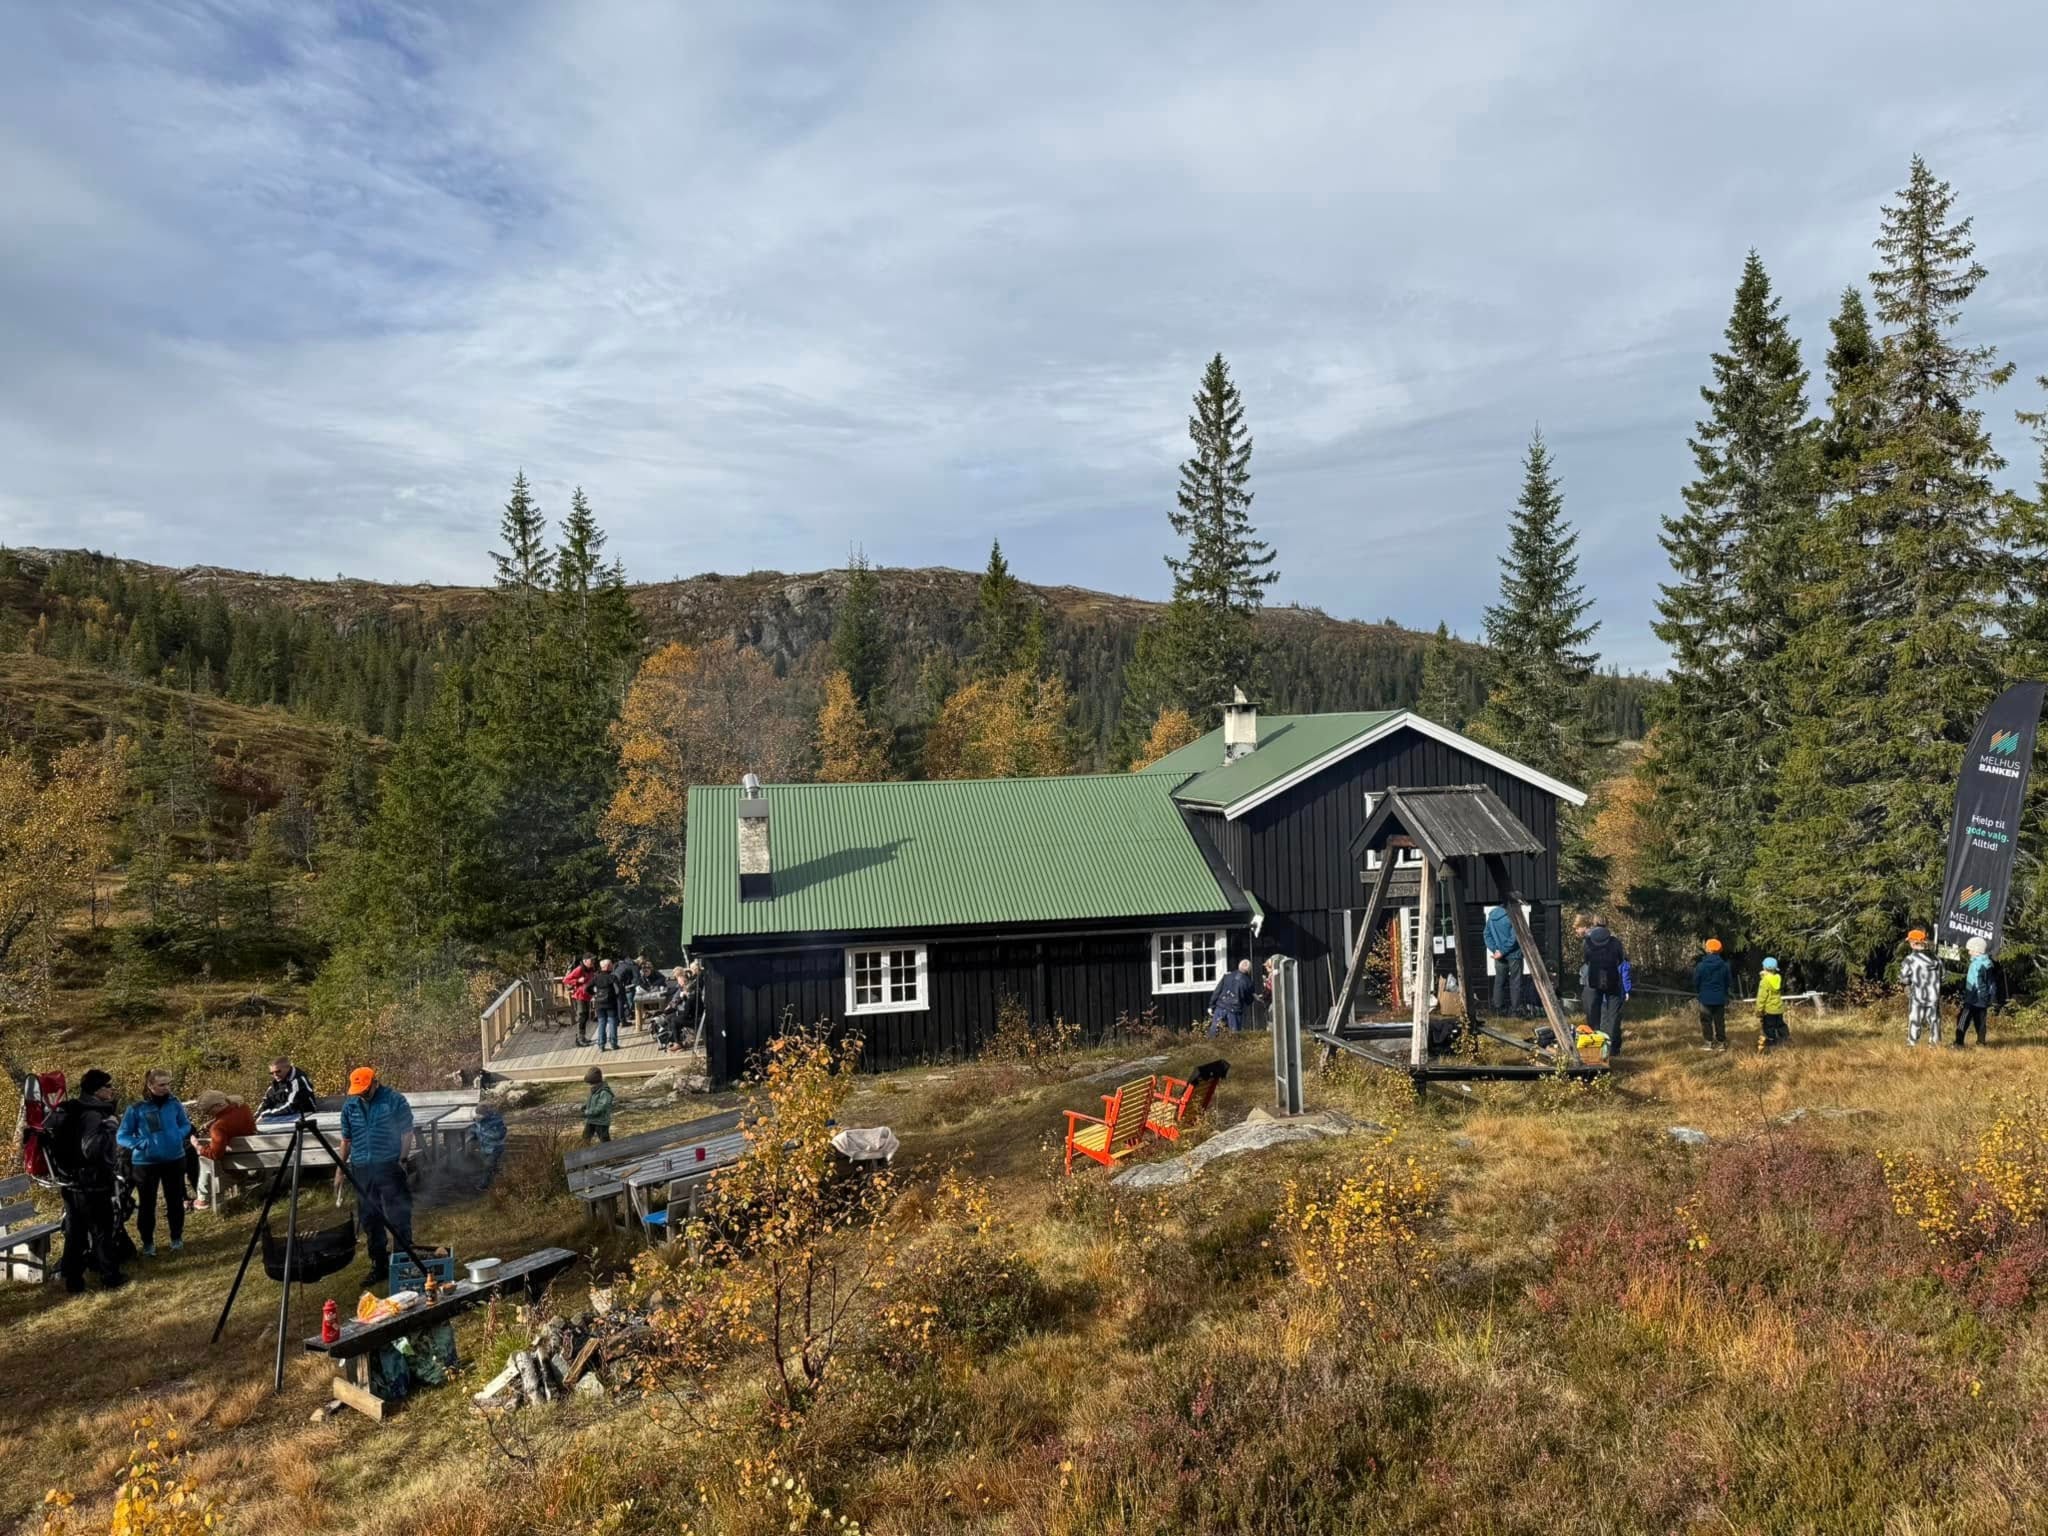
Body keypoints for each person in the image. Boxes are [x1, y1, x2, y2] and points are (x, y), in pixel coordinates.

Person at [42, 1069, 126, 1293]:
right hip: (92, 1182)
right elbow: (91, 1149)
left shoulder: (73, 1108)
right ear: (97, 1090)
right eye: (108, 1086)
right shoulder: (93, 1115)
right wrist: (110, 1127)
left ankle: (73, 1281)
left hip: (71, 1183)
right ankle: (111, 1277)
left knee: (75, 1233)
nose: (112, 1089)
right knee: (101, 1230)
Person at [337, 1067, 416, 1285]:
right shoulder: (350, 1106)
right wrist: (340, 1170)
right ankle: (379, 1264)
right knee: (370, 1218)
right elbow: (346, 1140)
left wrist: (402, 1159)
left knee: (399, 1214)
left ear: (375, 1083)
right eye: (358, 1091)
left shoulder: (394, 1100)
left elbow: (407, 1132)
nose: (362, 1094)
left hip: (389, 1164)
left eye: (365, 1090)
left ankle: (403, 1262)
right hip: (362, 1168)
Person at [117, 1069, 195, 1257]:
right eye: (162, 1084)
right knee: (147, 1204)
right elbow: (122, 1135)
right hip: (145, 1163)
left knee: (175, 1200)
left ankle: (176, 1238)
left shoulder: (174, 1104)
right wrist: (139, 1143)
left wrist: (178, 1134)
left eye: (168, 1084)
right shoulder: (136, 1108)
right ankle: (148, 1243)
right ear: (150, 1085)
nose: (166, 1088)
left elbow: (186, 1124)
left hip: (174, 1159)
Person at [191, 1090, 256, 1211]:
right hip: (253, 1155)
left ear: (217, 1105)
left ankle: (203, 1198)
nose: (208, 1115)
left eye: (208, 1111)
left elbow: (215, 1154)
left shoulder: (219, 1126)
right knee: (208, 1154)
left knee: (205, 1158)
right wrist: (213, 1121)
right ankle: (203, 1198)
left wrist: (197, 1146)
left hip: (237, 1163)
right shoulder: (243, 1107)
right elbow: (230, 1117)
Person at [1580, 918, 1628, 1057]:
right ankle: (1612, 1050)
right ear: (1607, 926)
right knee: (1613, 1016)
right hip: (1613, 980)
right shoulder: (1615, 942)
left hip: (1593, 980)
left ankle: (1595, 1049)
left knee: (1593, 1016)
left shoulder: (1587, 942)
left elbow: (1586, 959)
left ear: (1593, 925)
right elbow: (1621, 959)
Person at [1902, 929, 1942, 1048]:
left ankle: (1912, 1044)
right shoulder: (1936, 959)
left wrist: (1907, 985)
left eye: (1910, 942)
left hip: (1917, 995)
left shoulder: (1910, 959)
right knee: (1934, 1020)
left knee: (1915, 1019)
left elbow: (1904, 977)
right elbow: (1943, 976)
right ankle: (1934, 1045)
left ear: (1914, 943)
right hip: (1933, 995)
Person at [1484, 904, 1525, 1018]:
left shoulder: (1492, 916)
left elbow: (1486, 935)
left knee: (1499, 982)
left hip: (1499, 956)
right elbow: (1514, 938)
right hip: (1514, 954)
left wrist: (1495, 949)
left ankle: (1498, 1010)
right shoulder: (1512, 915)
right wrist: (1502, 951)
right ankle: (1516, 1011)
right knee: (1515, 982)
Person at [1956, 936, 1995, 1048]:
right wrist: (1989, 997)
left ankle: (1959, 1043)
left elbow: (1978, 982)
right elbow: (1991, 983)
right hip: (1982, 998)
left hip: (1973, 998)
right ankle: (1981, 1043)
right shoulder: (1987, 963)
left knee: (1963, 1019)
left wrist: (1971, 996)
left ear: (1977, 951)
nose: (1969, 952)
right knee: (1981, 1022)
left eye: (1971, 950)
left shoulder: (1978, 964)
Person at [1693, 938, 1732, 1051]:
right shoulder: (1724, 965)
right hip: (1719, 997)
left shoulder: (1701, 966)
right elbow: (1728, 982)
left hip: (1705, 998)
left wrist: (1699, 992)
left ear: (1708, 950)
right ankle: (1721, 1042)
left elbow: (1696, 981)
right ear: (1719, 950)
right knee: (1719, 1021)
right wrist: (1725, 992)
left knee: (1706, 1021)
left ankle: (1708, 1042)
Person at [1207, 958, 1258, 1038]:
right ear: (1249, 970)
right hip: (1234, 1012)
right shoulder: (1248, 983)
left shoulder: (1227, 976)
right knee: (1234, 1037)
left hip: (1220, 1007)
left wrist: (1211, 1006)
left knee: (1214, 1035)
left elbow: (1217, 991)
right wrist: (1253, 996)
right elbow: (1249, 1001)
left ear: (1239, 966)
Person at [256, 1057, 318, 1122]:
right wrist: (256, 1116)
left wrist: (266, 1114)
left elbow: (292, 1106)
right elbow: (267, 1101)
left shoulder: (298, 1081)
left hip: (304, 1114)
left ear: (288, 1068)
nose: (275, 1075)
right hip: (283, 1115)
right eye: (272, 1073)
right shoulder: (276, 1083)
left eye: (278, 1071)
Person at [592, 958, 627, 1053]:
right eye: (611, 965)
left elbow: (587, 988)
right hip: (610, 1003)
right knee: (612, 1023)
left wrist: (594, 994)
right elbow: (618, 990)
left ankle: (601, 1045)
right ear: (607, 967)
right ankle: (613, 1044)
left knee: (601, 1023)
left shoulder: (596, 977)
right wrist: (616, 997)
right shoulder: (612, 977)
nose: (612, 966)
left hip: (599, 1003)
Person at [563, 954, 598, 1046]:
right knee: (581, 1017)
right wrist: (578, 981)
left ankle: (582, 1037)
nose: (593, 962)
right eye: (591, 960)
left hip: (587, 995)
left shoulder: (591, 969)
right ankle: (579, 1039)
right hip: (579, 996)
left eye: (593, 960)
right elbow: (566, 980)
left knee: (585, 1017)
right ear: (585, 961)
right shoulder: (579, 969)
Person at [1757, 957, 1787, 1051]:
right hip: (1779, 1008)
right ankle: (1785, 1039)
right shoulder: (1778, 978)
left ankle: (1772, 1042)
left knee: (1769, 1027)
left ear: (1764, 968)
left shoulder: (1764, 981)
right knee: (1780, 1024)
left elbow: (1762, 997)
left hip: (1769, 1009)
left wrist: (1759, 1009)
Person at [581, 1067, 616, 1144]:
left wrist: (587, 1112)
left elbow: (601, 1108)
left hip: (601, 1122)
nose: (590, 1086)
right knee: (585, 1139)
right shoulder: (594, 1090)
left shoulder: (605, 1092)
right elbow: (592, 1102)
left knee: (605, 1141)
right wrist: (585, 1106)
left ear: (596, 1082)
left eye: (591, 1084)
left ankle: (610, 1151)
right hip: (591, 1120)